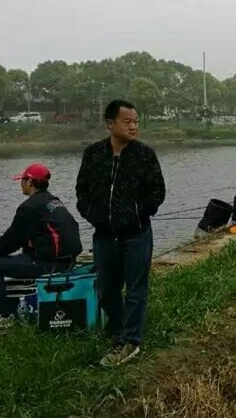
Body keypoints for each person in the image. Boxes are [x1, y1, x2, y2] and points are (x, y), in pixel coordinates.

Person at [76, 100, 165, 367]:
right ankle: (119, 330)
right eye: (127, 121)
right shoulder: (93, 154)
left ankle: (130, 341)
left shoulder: (145, 155)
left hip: (137, 234)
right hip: (104, 236)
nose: (133, 126)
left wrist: (137, 213)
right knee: (105, 290)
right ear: (109, 123)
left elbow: (157, 192)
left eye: (136, 121)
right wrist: (93, 214)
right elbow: (82, 191)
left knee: (136, 289)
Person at [0, 164, 82, 334]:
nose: (21, 184)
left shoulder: (30, 207)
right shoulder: (53, 201)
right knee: (8, 259)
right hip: (67, 262)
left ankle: (4, 317)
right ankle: (19, 311)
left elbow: (10, 241)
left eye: (22, 180)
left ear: (29, 182)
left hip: (48, 265)